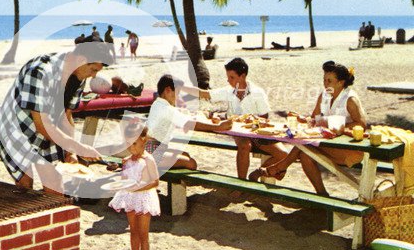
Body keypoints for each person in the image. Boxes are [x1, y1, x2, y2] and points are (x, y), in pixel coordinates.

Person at [0, 42, 114, 194]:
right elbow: (42, 125)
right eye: (94, 69)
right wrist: (78, 147)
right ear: (81, 60)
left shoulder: (79, 75)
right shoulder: (39, 71)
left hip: (47, 130)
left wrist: (71, 153)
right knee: (25, 184)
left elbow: (66, 115)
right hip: (14, 129)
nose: (94, 75)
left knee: (55, 186)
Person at [252, 61, 367, 195]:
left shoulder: (350, 99)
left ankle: (279, 168)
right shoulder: (324, 96)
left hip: (348, 150)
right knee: (305, 154)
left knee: (304, 146)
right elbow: (314, 120)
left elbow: (361, 124)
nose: (325, 84)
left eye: (329, 80)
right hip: (327, 144)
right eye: (324, 80)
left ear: (340, 82)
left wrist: (339, 127)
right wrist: (302, 118)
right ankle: (322, 194)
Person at [193, 58, 288, 180]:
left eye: (232, 77)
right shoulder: (228, 90)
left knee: (284, 155)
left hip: (256, 131)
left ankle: (259, 172)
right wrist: (182, 88)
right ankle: (241, 183)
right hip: (238, 131)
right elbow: (206, 94)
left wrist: (251, 122)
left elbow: (264, 117)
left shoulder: (258, 92)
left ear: (242, 76)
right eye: (228, 77)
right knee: (244, 146)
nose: (228, 80)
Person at [146, 74, 232, 170]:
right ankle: (178, 182)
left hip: (152, 148)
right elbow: (190, 124)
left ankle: (178, 182)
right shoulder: (167, 109)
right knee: (191, 163)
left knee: (186, 155)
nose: (177, 98)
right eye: (177, 93)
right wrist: (218, 127)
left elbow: (180, 115)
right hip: (153, 153)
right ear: (168, 90)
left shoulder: (157, 104)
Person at [109, 124, 160, 250]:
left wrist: (139, 188)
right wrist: (119, 170)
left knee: (143, 233)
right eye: (128, 145)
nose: (131, 148)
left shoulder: (148, 159)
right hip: (131, 197)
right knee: (133, 231)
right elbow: (126, 179)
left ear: (143, 141)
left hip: (144, 198)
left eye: (135, 144)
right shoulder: (127, 160)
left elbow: (156, 182)